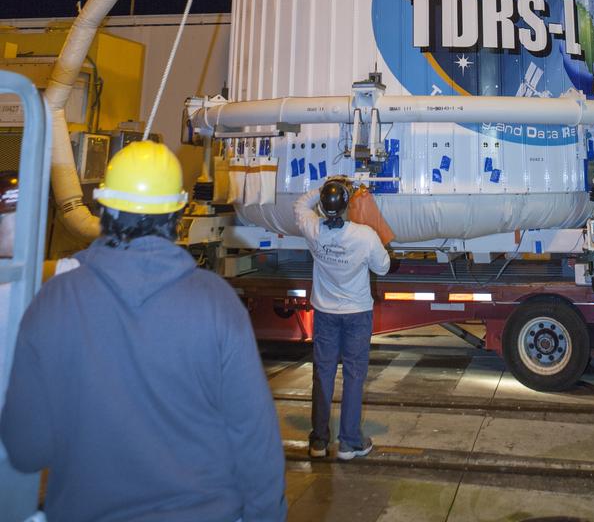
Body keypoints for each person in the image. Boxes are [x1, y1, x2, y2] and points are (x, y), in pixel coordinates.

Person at [0, 140, 286, 522]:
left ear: (103, 209)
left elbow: (26, 448)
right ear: (177, 214)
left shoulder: (55, 300)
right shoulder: (215, 303)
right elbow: (255, 440)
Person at [294, 177, 390, 461]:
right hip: (356, 314)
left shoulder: (312, 229)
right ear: (348, 204)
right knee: (354, 375)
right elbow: (383, 268)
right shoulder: (364, 235)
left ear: (323, 207)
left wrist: (325, 185)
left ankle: (319, 441)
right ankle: (349, 442)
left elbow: (300, 204)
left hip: (325, 313)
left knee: (323, 374)